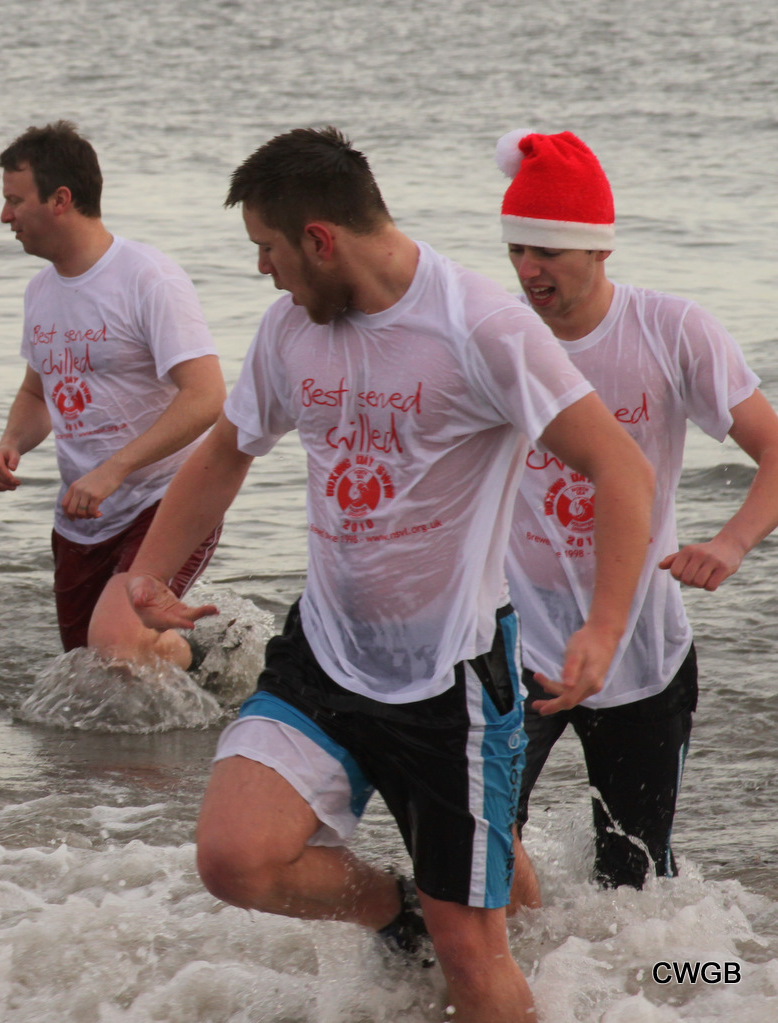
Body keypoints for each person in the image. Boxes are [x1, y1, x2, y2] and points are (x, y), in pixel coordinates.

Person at [125, 127, 654, 1023]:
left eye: (268, 248)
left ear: (320, 239)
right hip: (326, 654)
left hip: (450, 679)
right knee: (234, 859)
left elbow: (621, 468)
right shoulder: (290, 330)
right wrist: (148, 572)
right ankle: (398, 909)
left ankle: (488, 911)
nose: (263, 270)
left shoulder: (479, 326)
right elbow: (226, 448)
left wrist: (603, 626)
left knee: (473, 956)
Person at [494, 130, 778, 908]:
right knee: (477, 841)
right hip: (521, 644)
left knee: (635, 882)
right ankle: (519, 963)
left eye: (548, 250)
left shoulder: (670, 329)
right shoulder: (499, 339)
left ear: (599, 247)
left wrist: (732, 541)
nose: (528, 269)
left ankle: (660, 972)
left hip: (644, 648)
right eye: (517, 248)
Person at [0, 121, 226, 653]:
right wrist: (10, 443)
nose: (4, 216)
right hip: (83, 518)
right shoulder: (40, 290)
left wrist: (114, 469)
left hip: (165, 500)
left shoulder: (148, 278)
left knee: (115, 645)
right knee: (92, 670)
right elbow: (38, 393)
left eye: (14, 201)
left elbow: (207, 396)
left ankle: (196, 656)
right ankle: (195, 653)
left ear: (60, 200)